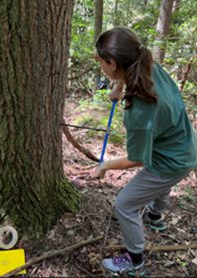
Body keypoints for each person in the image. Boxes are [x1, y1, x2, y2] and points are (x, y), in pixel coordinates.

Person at [92, 26, 197, 277]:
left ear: (113, 63)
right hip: (185, 146)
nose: (99, 65)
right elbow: (127, 72)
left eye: (100, 61)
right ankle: (155, 217)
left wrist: (105, 165)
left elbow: (137, 158)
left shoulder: (141, 110)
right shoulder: (146, 64)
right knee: (162, 184)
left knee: (125, 205)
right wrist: (118, 86)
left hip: (170, 160)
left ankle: (135, 261)